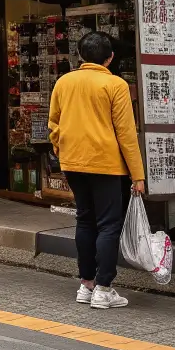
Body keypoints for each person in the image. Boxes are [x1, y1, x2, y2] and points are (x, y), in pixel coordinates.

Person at [49, 30, 146, 310]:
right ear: (111, 57)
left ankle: (86, 284)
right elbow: (126, 134)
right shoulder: (115, 85)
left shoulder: (64, 82)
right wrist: (137, 175)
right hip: (106, 164)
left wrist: (61, 148)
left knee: (85, 220)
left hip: (73, 162)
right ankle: (104, 287)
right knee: (108, 224)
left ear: (81, 56)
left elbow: (53, 122)